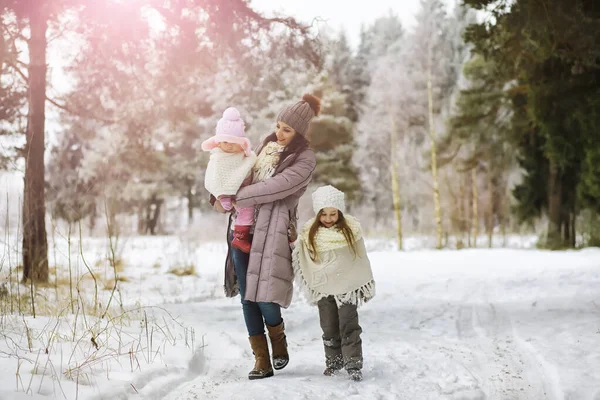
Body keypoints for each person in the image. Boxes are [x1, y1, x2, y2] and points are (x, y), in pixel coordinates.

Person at [211, 94, 321, 380]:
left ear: (299, 133)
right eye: (278, 125)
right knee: (247, 296)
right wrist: (220, 192)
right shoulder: (264, 144)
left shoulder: (305, 159)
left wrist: (237, 196)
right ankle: (261, 358)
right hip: (241, 228)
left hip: (272, 230)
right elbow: (239, 171)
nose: (279, 133)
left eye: (287, 129)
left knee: (265, 297)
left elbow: (277, 187)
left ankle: (278, 339)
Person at [292, 185, 376, 382]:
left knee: (349, 325)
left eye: (333, 214)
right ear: (317, 213)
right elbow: (305, 259)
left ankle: (353, 363)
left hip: (347, 288)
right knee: (329, 326)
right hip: (323, 288)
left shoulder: (352, 231)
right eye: (324, 214)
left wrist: (360, 281)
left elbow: (359, 259)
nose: (328, 219)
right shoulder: (309, 234)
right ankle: (334, 362)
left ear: (340, 212)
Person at [202, 107, 257, 253]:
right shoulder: (218, 157)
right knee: (244, 208)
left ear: (242, 143)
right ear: (218, 143)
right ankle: (239, 237)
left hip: (244, 193)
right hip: (227, 198)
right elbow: (216, 178)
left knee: (247, 210)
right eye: (225, 141)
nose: (229, 145)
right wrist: (223, 196)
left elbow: (248, 168)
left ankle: (240, 236)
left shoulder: (245, 156)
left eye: (234, 142)